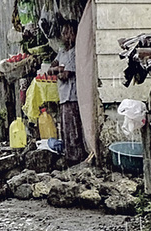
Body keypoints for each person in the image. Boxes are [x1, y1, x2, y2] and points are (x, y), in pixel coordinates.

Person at [48, 22, 87, 165]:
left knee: (73, 128)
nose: (64, 37)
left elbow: (65, 75)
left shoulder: (75, 52)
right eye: (63, 34)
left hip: (73, 95)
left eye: (67, 33)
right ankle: (70, 155)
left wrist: (58, 71)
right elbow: (51, 69)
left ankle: (76, 157)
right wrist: (58, 69)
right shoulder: (62, 51)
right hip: (63, 95)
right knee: (66, 127)